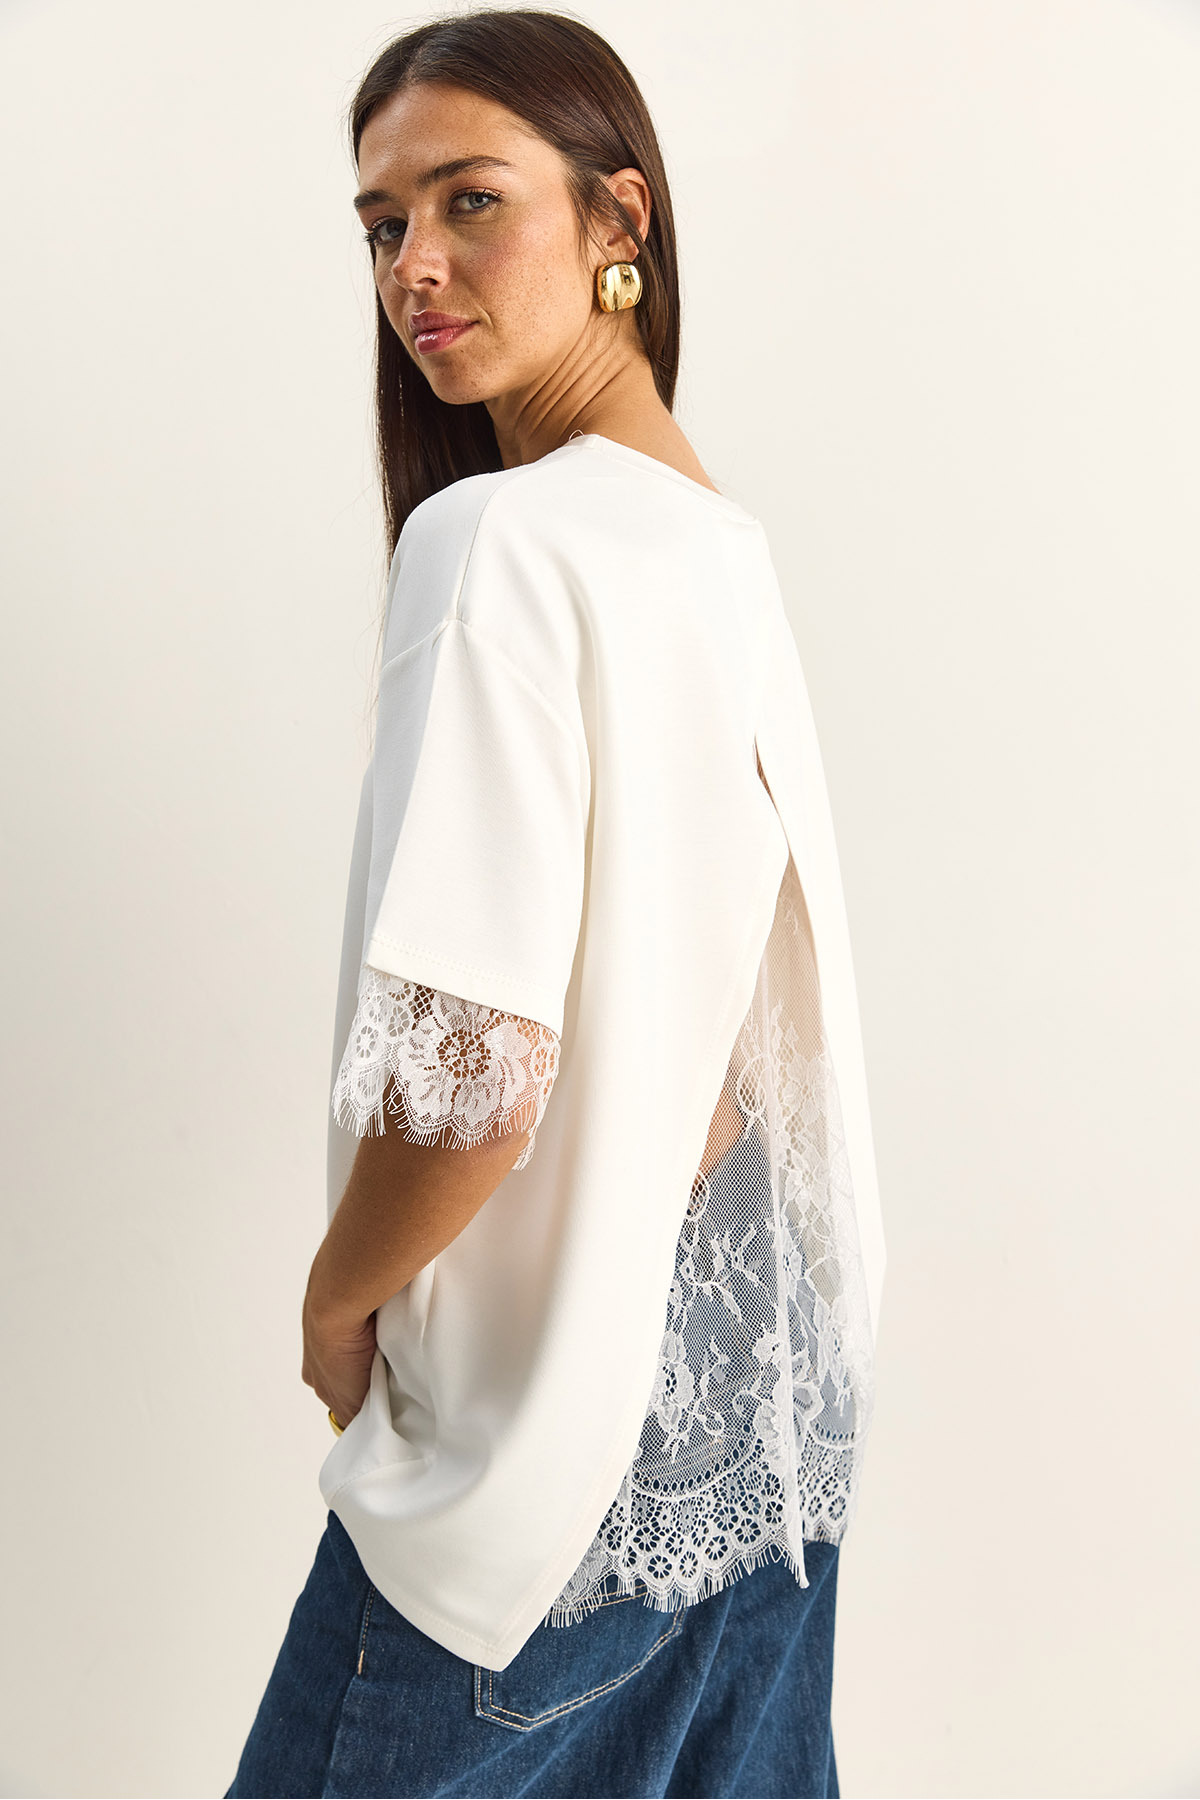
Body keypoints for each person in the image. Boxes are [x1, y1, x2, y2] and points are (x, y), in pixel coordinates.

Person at [224, 10, 886, 1797]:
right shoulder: (713, 544)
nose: (413, 268)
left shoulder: (496, 544)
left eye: (469, 201)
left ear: (619, 219)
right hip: (766, 1418)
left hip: (548, 1461)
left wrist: (338, 1300)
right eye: (382, 225)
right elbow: (724, 1053)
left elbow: (475, 1078)